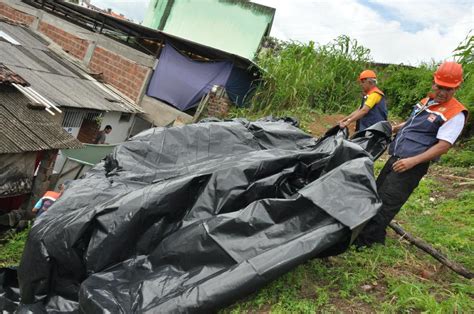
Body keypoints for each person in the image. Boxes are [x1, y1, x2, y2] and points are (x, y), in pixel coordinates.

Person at [355, 61, 468, 247]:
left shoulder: (456, 113)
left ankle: (366, 243)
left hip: (412, 164)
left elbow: (443, 146)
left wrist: (413, 162)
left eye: (448, 89)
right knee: (377, 192)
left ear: (457, 87)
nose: (442, 92)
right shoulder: (427, 101)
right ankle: (369, 234)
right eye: (439, 87)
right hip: (397, 157)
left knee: (387, 201)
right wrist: (395, 128)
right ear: (434, 82)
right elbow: (412, 122)